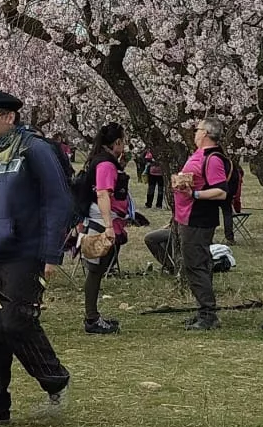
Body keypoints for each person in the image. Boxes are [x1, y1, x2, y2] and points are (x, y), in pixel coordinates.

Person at [0, 91, 74, 420]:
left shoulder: (35, 150)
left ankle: (56, 382)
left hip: (26, 251)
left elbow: (59, 201)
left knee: (14, 322)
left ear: (10, 118)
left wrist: (52, 253)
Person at [145, 119, 234, 330]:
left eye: (197, 129)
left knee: (196, 264)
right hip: (187, 217)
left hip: (199, 218)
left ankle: (208, 314)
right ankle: (203, 310)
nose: (194, 133)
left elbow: (221, 191)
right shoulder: (199, 154)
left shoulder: (213, 159)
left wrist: (194, 193)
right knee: (194, 263)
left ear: (206, 133)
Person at [78, 122, 131, 335]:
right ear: (117, 142)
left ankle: (93, 316)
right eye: (123, 141)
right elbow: (102, 193)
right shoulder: (106, 165)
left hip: (104, 219)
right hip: (100, 221)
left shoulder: (103, 160)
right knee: (96, 269)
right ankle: (91, 318)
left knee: (97, 270)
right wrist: (108, 226)